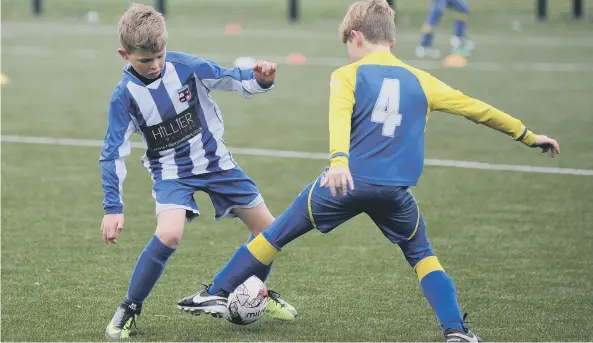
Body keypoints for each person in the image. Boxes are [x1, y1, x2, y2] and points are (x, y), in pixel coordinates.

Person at [177, 0, 560, 341]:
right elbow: (477, 109)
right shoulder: (421, 80)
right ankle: (456, 330)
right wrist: (528, 135)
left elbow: (339, 117)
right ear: (391, 42)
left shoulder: (347, 75)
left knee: (276, 233)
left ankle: (218, 288)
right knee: (422, 255)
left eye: (347, 43)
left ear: (356, 37)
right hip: (395, 193)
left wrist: (340, 161)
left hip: (343, 183)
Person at [100, 4, 297, 339]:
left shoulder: (186, 66)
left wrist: (261, 79)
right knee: (169, 234)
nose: (155, 65)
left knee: (271, 232)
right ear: (125, 54)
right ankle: (130, 307)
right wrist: (113, 208)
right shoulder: (124, 96)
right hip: (171, 172)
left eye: (159, 56)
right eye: (144, 60)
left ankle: (252, 292)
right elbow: (111, 153)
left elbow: (229, 77)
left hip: (218, 164)